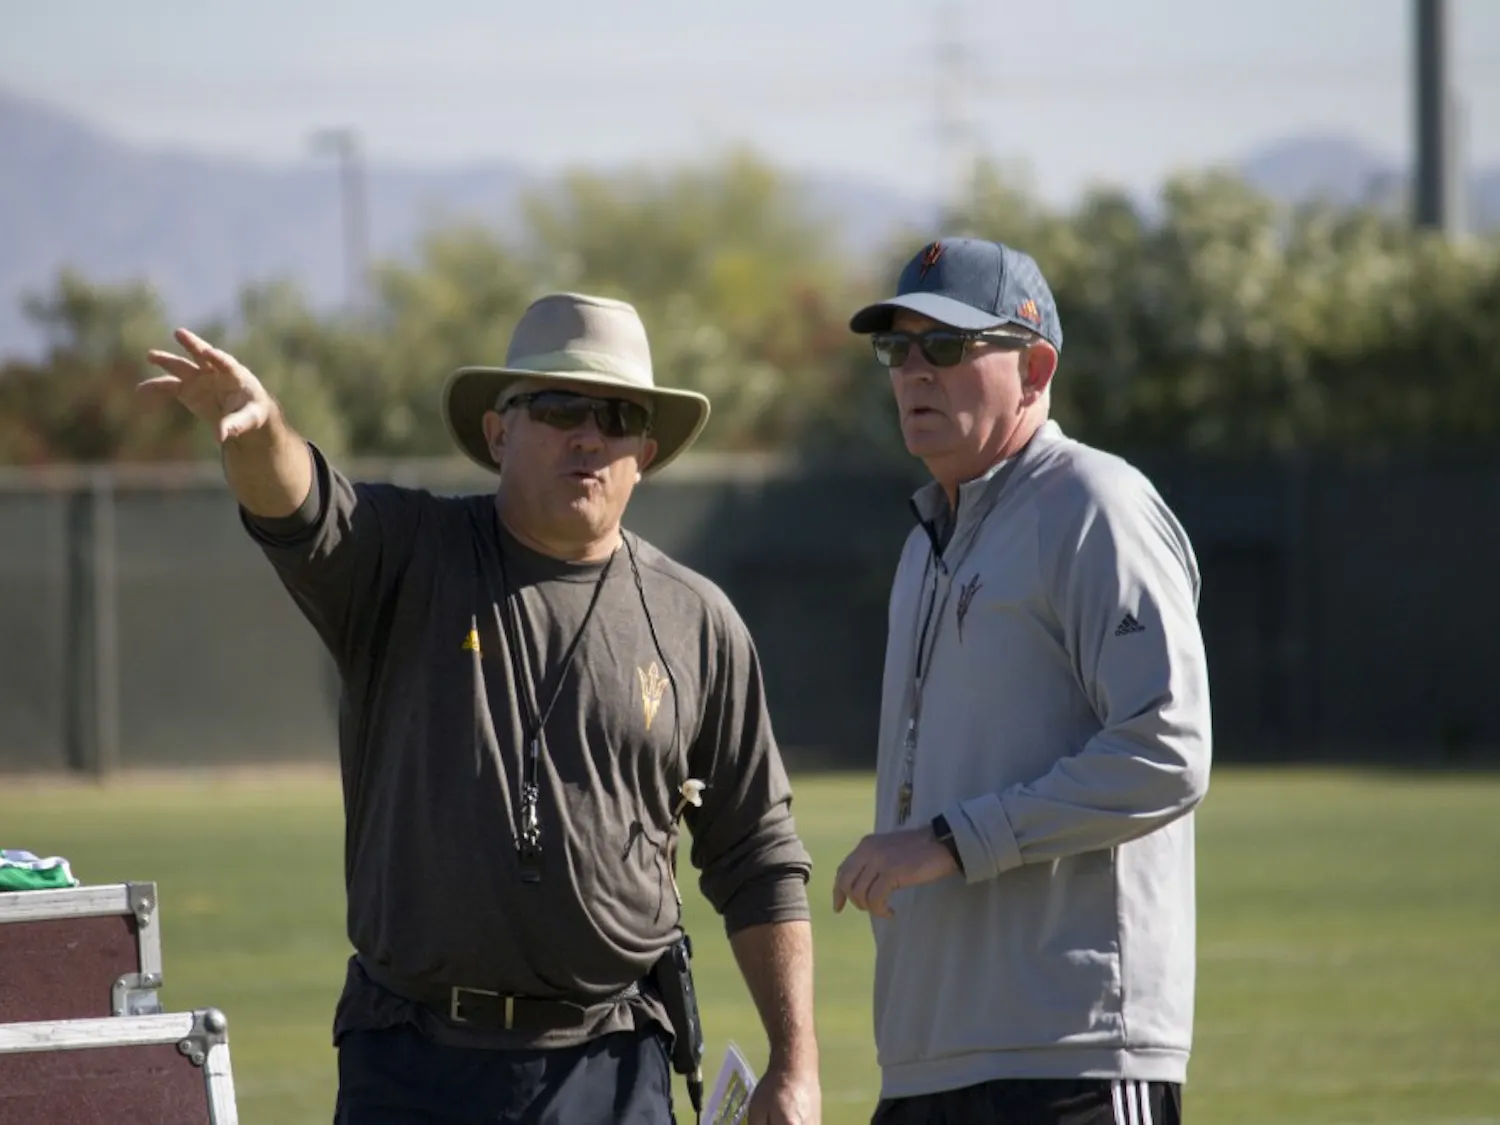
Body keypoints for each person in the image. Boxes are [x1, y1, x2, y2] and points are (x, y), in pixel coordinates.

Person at [140, 292, 821, 1125]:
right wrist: (262, 426)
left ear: (644, 451)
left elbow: (757, 854)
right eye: (560, 405)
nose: (589, 434)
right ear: (500, 432)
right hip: (413, 1060)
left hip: (611, 1065)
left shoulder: (696, 619)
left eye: (616, 415)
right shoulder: (409, 554)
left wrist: (795, 1064)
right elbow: (300, 506)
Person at [832, 237, 1212, 1125]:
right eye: (898, 348)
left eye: (949, 346)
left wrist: (956, 838)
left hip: (1070, 1053)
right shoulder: (924, 544)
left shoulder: (1094, 504)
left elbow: (1169, 750)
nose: (914, 371)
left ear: (1035, 366)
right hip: (928, 1058)